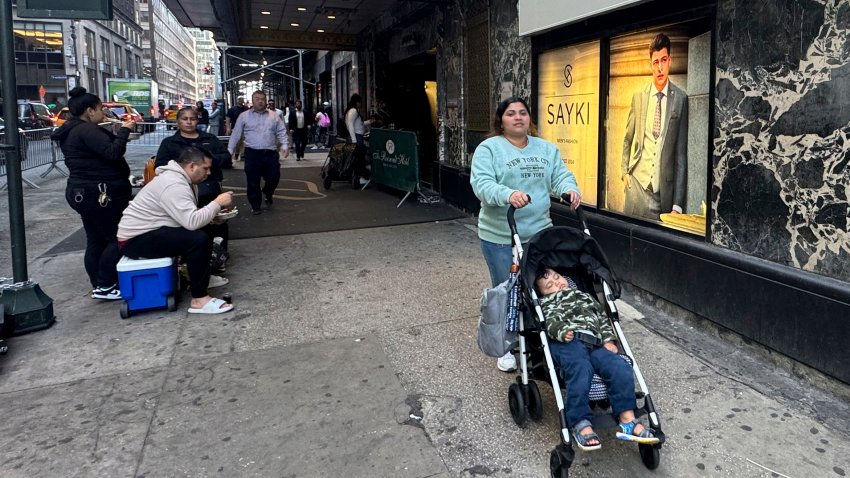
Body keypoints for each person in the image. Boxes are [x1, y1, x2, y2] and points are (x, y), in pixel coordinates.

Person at [470, 96, 582, 372]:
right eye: (511, 113)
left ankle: (538, 339)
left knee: (540, 286)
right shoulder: (489, 149)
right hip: (500, 234)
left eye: (522, 113)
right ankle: (505, 347)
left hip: (539, 233)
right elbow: (481, 183)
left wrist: (569, 189)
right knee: (506, 290)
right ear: (501, 121)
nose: (518, 117)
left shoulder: (546, 149)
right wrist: (508, 195)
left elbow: (560, 176)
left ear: (529, 119)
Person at [535, 266, 660, 450]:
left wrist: (609, 339)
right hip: (567, 343)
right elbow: (550, 322)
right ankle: (580, 422)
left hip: (595, 343)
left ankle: (627, 419)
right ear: (543, 294)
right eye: (549, 285)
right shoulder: (548, 303)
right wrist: (561, 331)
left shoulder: (585, 297)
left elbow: (601, 318)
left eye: (557, 277)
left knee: (620, 366)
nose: (557, 284)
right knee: (580, 368)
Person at [117, 147, 235, 314]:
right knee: (197, 239)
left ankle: (202, 279)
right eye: (206, 168)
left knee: (206, 228)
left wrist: (211, 216)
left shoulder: (182, 179)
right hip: (135, 240)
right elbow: (192, 222)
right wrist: (217, 203)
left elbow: (186, 216)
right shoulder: (174, 184)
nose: (208, 173)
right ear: (192, 166)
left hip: (152, 231)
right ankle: (199, 299)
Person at [51, 86, 136, 300]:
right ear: (90, 111)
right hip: (99, 193)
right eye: (100, 109)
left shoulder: (72, 129)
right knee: (117, 238)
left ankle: (99, 284)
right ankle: (105, 284)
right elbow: (113, 152)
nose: (104, 114)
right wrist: (124, 130)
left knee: (96, 239)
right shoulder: (86, 130)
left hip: (83, 192)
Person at [156, 106, 231, 274]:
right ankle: (190, 258)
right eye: (185, 119)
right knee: (189, 223)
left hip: (210, 188)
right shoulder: (169, 143)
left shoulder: (209, 139)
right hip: (181, 190)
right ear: (178, 122)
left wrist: (208, 162)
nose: (189, 122)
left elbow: (226, 157)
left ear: (198, 120)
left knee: (217, 221)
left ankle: (219, 256)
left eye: (193, 118)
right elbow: (160, 166)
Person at [621, 32, 688, 221]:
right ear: (650, 64)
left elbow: (681, 155)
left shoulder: (681, 99)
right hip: (636, 188)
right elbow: (627, 138)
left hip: (662, 196)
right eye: (655, 62)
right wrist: (624, 172)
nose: (660, 67)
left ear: (670, 61)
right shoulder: (639, 97)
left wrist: (677, 205)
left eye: (663, 60)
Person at [227, 90, 289, 215]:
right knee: (253, 181)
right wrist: (230, 150)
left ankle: (268, 191)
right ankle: (255, 206)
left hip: (270, 153)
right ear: (252, 100)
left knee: (274, 177)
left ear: (266, 101)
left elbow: (281, 131)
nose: (260, 101)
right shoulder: (244, 116)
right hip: (252, 154)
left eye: (262, 99)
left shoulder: (274, 115)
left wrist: (285, 144)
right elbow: (236, 134)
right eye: (257, 98)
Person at [344, 94, 368, 184]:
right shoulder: (353, 111)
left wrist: (368, 122)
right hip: (357, 137)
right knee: (359, 158)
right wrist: (354, 140)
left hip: (356, 136)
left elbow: (358, 124)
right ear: (357, 102)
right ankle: (359, 177)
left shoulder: (351, 111)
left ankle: (358, 176)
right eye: (360, 102)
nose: (361, 104)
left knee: (357, 157)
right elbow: (350, 125)